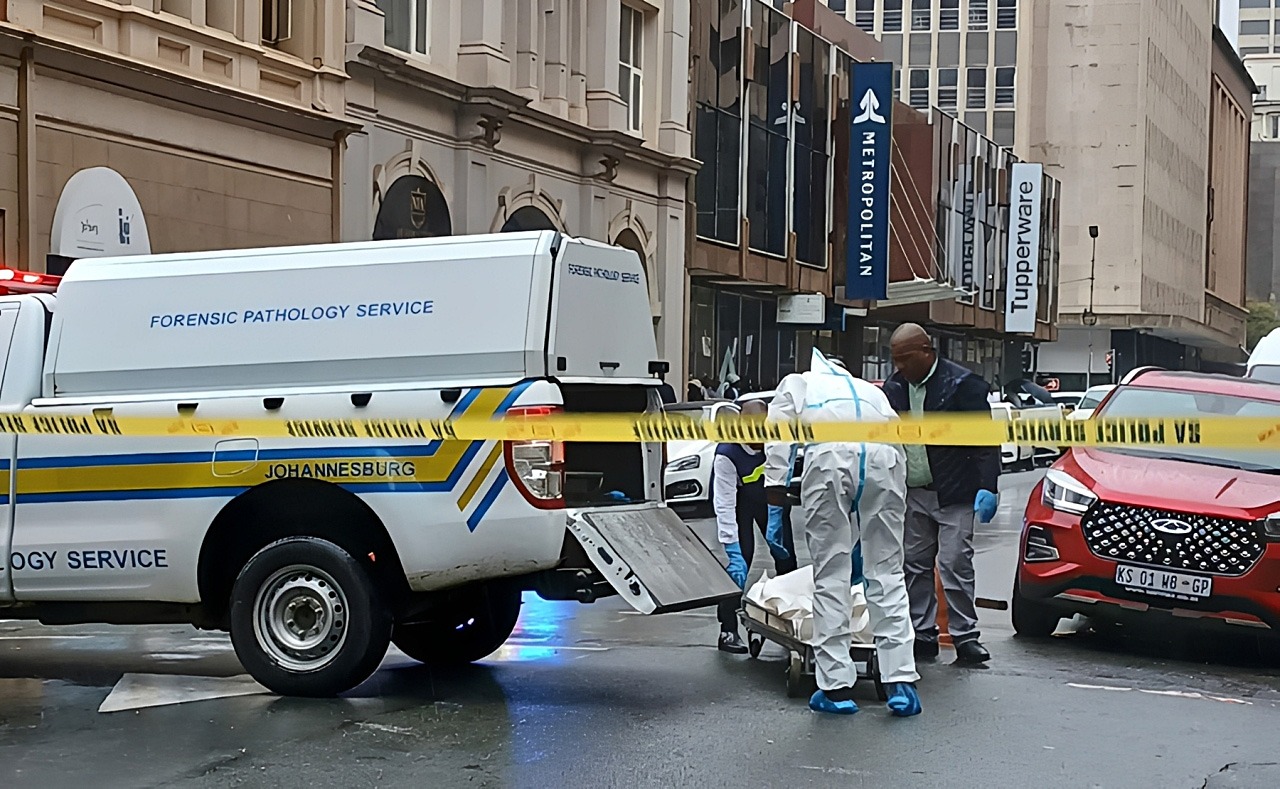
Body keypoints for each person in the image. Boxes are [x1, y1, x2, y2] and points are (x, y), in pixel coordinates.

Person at [764, 349, 921, 717]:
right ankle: (901, 683)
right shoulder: (871, 391)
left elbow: (779, 430)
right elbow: (899, 440)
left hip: (829, 459)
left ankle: (835, 689)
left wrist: (776, 482)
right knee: (887, 573)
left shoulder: (799, 383)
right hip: (884, 461)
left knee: (831, 574)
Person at [882, 323, 1000, 665]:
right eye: (895, 359)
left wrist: (988, 485)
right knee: (914, 564)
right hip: (913, 491)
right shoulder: (895, 389)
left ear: (926, 351)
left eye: (905, 358)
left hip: (955, 492)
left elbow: (985, 440)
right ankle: (922, 633)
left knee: (954, 563)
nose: (900, 366)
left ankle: (965, 636)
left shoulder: (961, 385)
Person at [713, 399, 797, 653]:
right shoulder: (727, 454)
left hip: (772, 501)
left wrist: (776, 519)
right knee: (741, 564)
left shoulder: (777, 441)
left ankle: (790, 622)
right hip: (741, 503)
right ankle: (727, 630)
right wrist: (732, 547)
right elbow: (724, 503)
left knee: (787, 563)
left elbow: (782, 478)